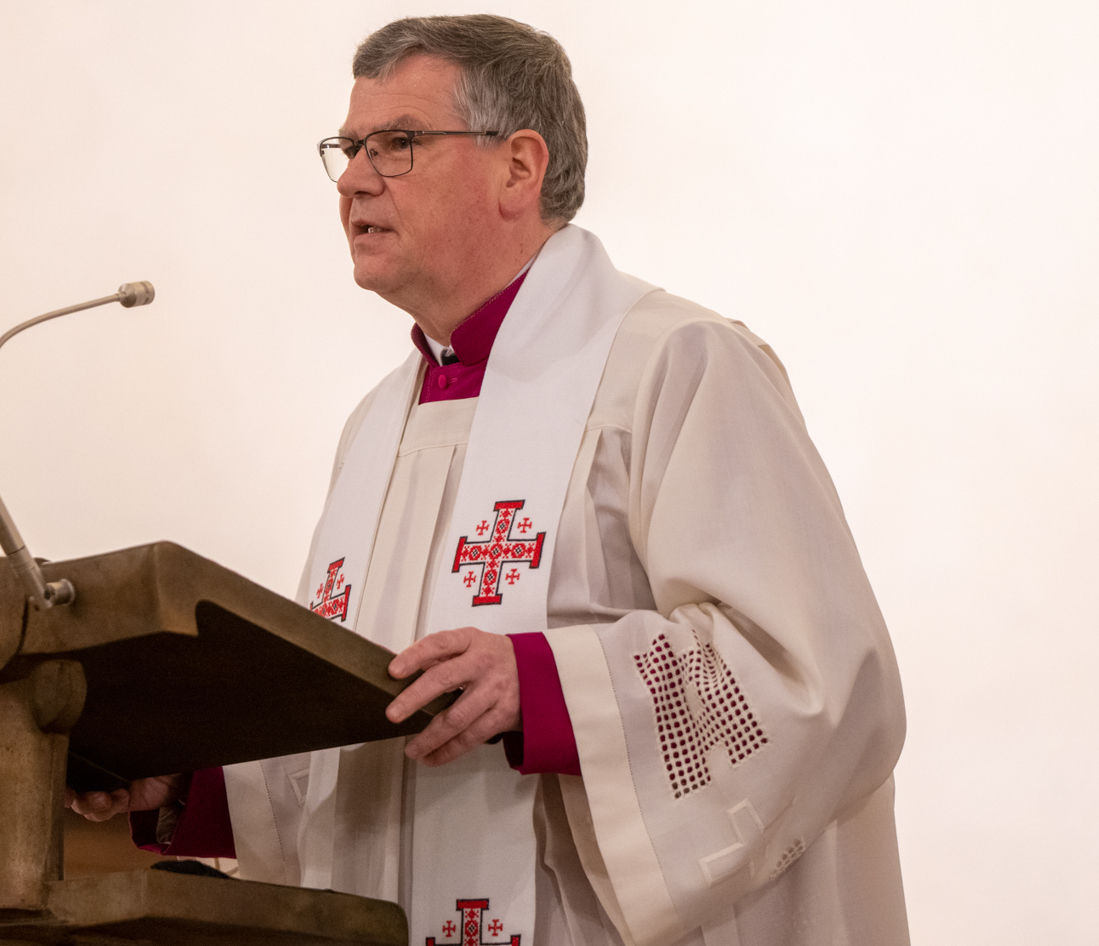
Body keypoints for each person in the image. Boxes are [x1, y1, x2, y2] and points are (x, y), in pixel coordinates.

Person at [70, 14, 907, 946]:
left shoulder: (674, 364)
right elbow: (367, 712)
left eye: (398, 144)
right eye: (349, 148)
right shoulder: (379, 423)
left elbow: (813, 680)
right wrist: (186, 774)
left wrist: (546, 685)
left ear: (518, 167)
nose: (353, 178)